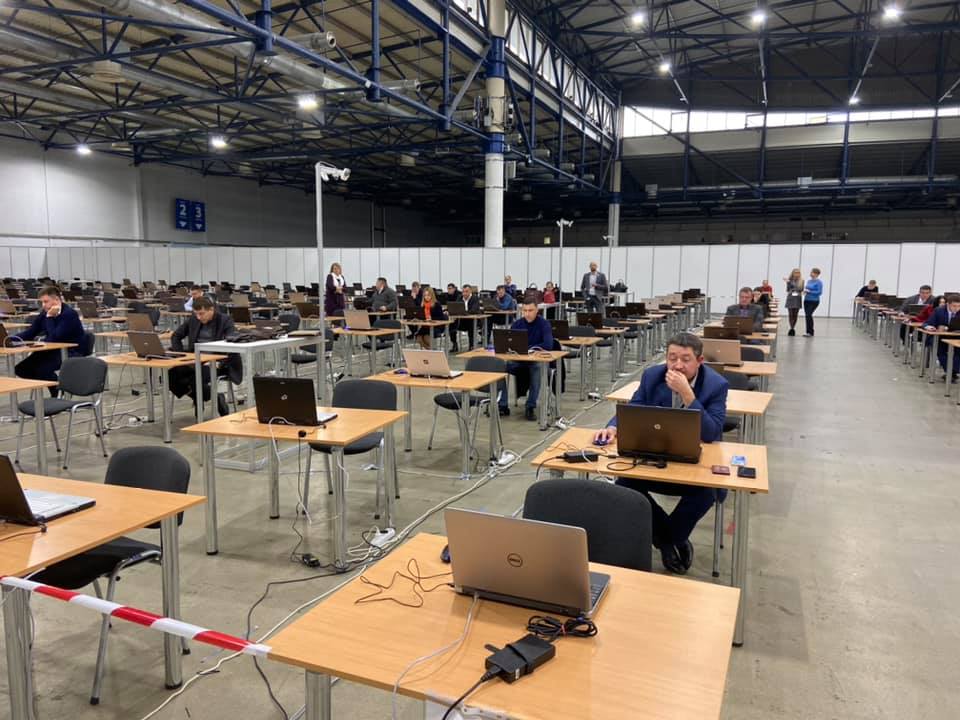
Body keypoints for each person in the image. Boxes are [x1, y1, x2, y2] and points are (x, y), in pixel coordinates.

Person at [593, 333, 728, 574]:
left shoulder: (716, 385)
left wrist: (688, 395)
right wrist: (613, 427)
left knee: (707, 493)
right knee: (624, 485)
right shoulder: (652, 376)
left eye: (685, 359)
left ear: (700, 361)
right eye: (672, 358)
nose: (677, 365)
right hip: (656, 457)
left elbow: (712, 433)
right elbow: (634, 407)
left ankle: (667, 540)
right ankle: (672, 541)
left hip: (693, 464)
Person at [169, 297, 241, 416]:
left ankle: (201, 398)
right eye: (196, 314)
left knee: (195, 378)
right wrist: (181, 355)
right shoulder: (194, 319)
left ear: (211, 309)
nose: (199, 317)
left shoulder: (225, 320)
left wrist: (220, 362)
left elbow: (232, 342)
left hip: (217, 362)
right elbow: (176, 336)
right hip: (196, 360)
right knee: (171, 375)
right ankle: (212, 396)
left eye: (201, 314)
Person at [13, 285, 86, 394]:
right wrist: (10, 339)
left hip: (71, 351)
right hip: (51, 350)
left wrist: (50, 317)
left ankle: (57, 391)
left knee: (42, 369)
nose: (43, 305)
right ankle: (56, 386)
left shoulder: (69, 314)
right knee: (21, 369)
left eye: (46, 301)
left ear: (56, 299)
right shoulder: (44, 313)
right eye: (42, 302)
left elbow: (54, 338)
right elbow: (30, 332)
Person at [498, 302, 553, 421]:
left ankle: (530, 406)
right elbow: (509, 343)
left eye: (530, 310)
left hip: (535, 362)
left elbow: (548, 344)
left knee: (537, 367)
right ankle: (502, 405)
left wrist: (529, 348)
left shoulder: (544, 324)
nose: (527, 314)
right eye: (525, 311)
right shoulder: (517, 324)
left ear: (537, 310)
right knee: (499, 367)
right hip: (518, 362)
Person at [923, 293, 960, 379]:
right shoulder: (938, 310)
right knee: (940, 350)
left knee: (958, 350)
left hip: (956, 337)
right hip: (939, 337)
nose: (957, 308)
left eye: (959, 306)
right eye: (954, 306)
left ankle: (952, 372)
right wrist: (930, 327)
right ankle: (951, 372)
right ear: (948, 304)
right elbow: (927, 323)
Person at [449, 284, 479, 352]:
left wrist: (465, 312)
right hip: (461, 320)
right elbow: (456, 307)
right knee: (451, 325)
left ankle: (471, 346)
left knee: (471, 325)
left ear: (470, 291)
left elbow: (474, 310)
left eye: (466, 291)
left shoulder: (475, 298)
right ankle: (454, 344)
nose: (464, 293)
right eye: (463, 292)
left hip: (471, 320)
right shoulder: (459, 297)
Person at [802, 268, 823, 337]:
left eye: (812, 272)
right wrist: (805, 291)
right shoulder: (809, 281)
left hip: (814, 301)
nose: (811, 273)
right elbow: (807, 289)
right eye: (811, 272)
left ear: (816, 274)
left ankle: (811, 332)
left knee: (809, 314)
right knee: (807, 315)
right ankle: (808, 332)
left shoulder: (819, 282)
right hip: (806, 300)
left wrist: (810, 291)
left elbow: (819, 292)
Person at [783, 268, 804, 336]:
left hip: (797, 298)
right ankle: (791, 328)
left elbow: (800, 289)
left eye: (798, 273)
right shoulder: (790, 280)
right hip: (790, 298)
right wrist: (788, 283)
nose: (797, 274)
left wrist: (790, 283)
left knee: (795, 314)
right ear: (793, 273)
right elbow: (788, 289)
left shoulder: (801, 281)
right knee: (790, 314)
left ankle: (793, 327)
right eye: (795, 273)